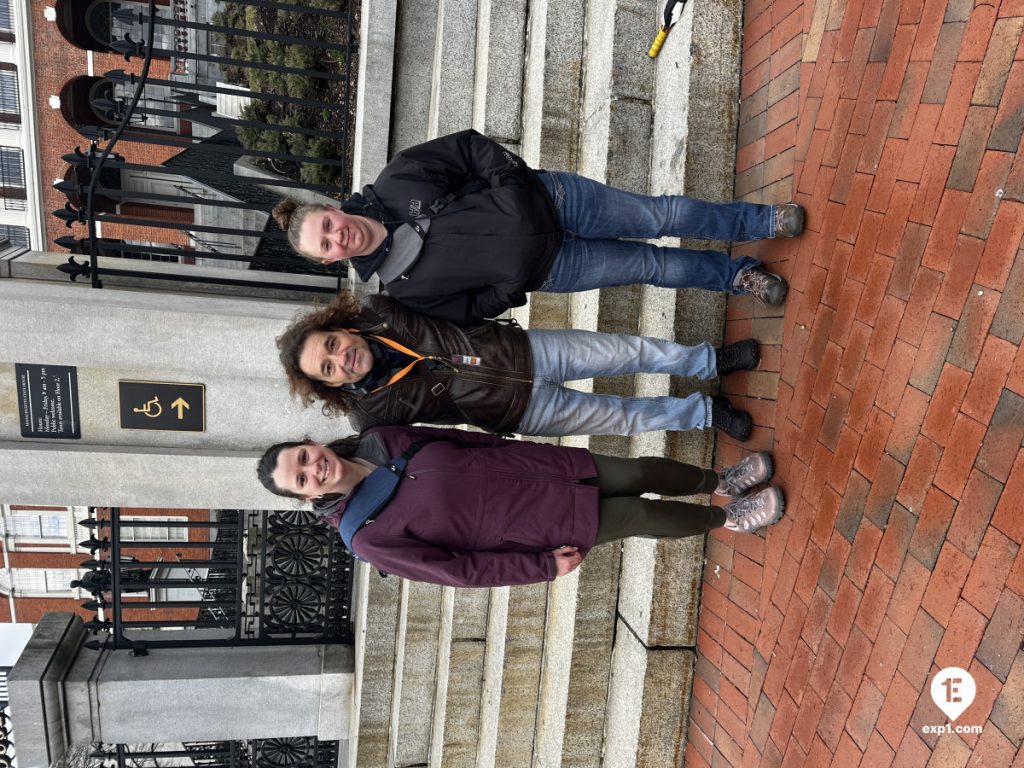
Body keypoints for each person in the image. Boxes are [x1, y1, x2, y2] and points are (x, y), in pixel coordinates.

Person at [271, 130, 804, 325]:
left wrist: (513, 183)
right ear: (328, 260)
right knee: (653, 265)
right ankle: (739, 277)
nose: (338, 236)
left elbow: (468, 148)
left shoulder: (395, 179)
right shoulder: (402, 290)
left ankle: (759, 220)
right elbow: (468, 311)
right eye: (327, 245)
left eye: (328, 224)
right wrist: (509, 288)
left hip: (557, 200)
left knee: (660, 215)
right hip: (555, 269)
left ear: (333, 209)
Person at [257, 425, 785, 587]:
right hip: (535, 524)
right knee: (641, 516)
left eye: (304, 457)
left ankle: (720, 480)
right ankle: (728, 517)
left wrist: (526, 449)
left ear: (312, 443)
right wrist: (538, 566)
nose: (313, 468)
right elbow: (457, 571)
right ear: (306, 496)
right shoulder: (366, 535)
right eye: (301, 478)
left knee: (640, 470)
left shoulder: (379, 439)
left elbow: (456, 439)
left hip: (539, 471)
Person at [278, 291, 762, 441]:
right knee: (624, 418)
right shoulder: (369, 418)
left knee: (630, 350)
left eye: (333, 344)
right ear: (330, 385)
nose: (341, 359)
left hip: (526, 350)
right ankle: (704, 413)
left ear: (340, 327)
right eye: (328, 368)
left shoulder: (378, 311)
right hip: (519, 412)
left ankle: (712, 360)